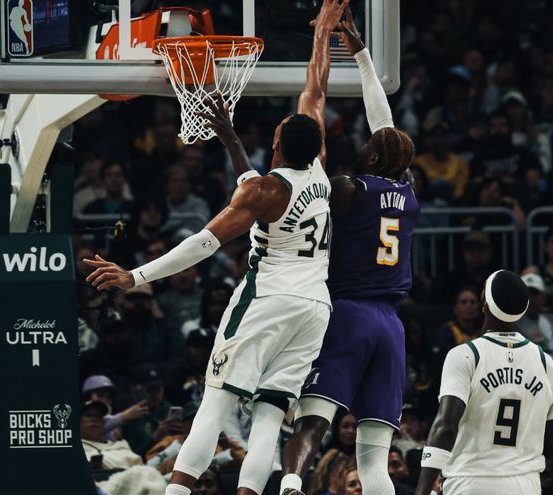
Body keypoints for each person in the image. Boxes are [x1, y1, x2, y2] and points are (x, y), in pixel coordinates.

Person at [83, 2, 345, 495]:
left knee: (216, 401)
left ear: (277, 143)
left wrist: (135, 276)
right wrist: (323, 34)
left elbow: (203, 243)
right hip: (315, 307)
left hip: (268, 298)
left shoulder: (265, 190)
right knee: (269, 414)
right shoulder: (318, 170)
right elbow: (316, 89)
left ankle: (176, 491)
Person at [279, 7, 418, 495]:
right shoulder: (409, 191)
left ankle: (290, 485)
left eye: (369, 145)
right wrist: (360, 54)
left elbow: (310, 162)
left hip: (349, 313)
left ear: (374, 157)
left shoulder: (348, 188)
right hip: (391, 326)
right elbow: (386, 125)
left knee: (313, 421)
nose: (363, 143)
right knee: (374, 458)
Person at [415, 270, 553, 495]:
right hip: (524, 484)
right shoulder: (545, 362)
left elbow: (446, 427)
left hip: (469, 481)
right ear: (524, 307)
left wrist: (422, 490)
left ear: (484, 304)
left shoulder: (465, 355)